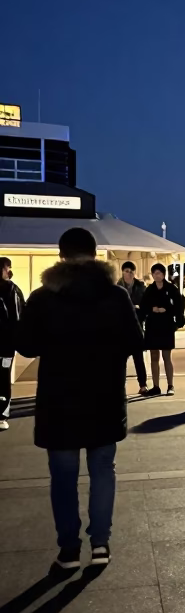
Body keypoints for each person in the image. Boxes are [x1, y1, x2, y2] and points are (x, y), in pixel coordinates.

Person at [16, 228, 142, 569]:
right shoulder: (116, 296)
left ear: (61, 256)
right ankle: (100, 544)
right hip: (104, 397)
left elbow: (25, 345)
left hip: (59, 400)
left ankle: (69, 550)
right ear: (95, 253)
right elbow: (135, 341)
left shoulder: (43, 297)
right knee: (103, 469)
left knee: (63, 475)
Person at [140, 263, 185, 396]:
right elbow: (143, 306)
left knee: (166, 356)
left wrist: (168, 310)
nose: (157, 275)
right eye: (154, 273)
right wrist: (151, 309)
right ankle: (156, 386)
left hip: (166, 324)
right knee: (154, 355)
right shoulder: (149, 289)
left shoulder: (171, 288)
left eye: (159, 273)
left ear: (164, 274)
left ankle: (170, 385)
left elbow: (180, 304)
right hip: (153, 324)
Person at [0, 257, 24, 431]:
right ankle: (1, 415)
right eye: (7, 267)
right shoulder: (11, 289)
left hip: (5, 344)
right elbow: (17, 316)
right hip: (5, 344)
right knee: (2, 378)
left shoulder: (11, 289)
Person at [117, 261, 148, 396]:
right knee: (120, 359)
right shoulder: (117, 287)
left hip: (136, 325)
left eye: (131, 271)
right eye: (126, 271)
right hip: (121, 327)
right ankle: (120, 386)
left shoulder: (141, 287)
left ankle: (143, 384)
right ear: (122, 272)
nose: (129, 274)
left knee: (138, 358)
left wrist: (139, 309)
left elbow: (146, 304)